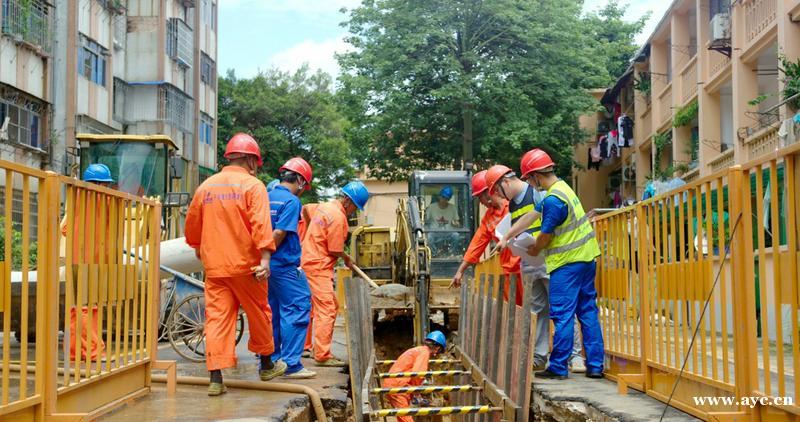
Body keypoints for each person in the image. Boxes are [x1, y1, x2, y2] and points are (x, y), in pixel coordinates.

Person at [185, 133, 285, 396]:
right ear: (252, 160)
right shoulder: (253, 186)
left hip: (216, 268)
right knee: (260, 313)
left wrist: (198, 247)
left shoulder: (206, 186)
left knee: (216, 320)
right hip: (247, 267)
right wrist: (265, 259)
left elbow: (193, 224)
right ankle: (266, 365)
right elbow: (261, 225)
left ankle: (216, 379)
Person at [508, 148, 604, 380]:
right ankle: (595, 366)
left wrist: (534, 248)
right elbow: (531, 215)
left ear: (535, 176)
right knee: (588, 311)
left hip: (567, 264)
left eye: (529, 179)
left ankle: (559, 366)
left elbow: (545, 236)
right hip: (587, 259)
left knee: (562, 315)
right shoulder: (563, 189)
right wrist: (506, 236)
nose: (530, 184)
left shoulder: (553, 200)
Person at [487, 164, 586, 373]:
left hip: (549, 259)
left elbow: (548, 225)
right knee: (537, 310)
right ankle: (539, 357)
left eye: (497, 191)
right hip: (529, 262)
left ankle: (575, 356)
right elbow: (522, 224)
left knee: (563, 309)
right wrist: (509, 239)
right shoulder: (513, 204)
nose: (498, 196)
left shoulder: (539, 194)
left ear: (505, 182)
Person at [301, 181, 370, 366]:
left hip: (310, 260)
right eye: (354, 207)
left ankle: (306, 346)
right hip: (318, 265)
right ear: (348, 201)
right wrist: (347, 258)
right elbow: (334, 248)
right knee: (328, 308)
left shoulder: (324, 207)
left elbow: (306, 209)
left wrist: (310, 232)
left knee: (316, 306)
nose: (353, 212)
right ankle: (322, 355)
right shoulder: (339, 218)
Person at [264, 158, 316, 379]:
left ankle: (273, 359)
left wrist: (262, 258)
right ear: (301, 181)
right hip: (283, 265)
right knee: (298, 305)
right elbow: (279, 234)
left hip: (267, 267)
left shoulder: (266, 197)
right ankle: (292, 364)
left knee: (273, 312)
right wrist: (268, 253)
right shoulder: (292, 201)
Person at [62, 163, 114, 362]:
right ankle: (93, 350)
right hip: (94, 262)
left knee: (77, 308)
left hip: (76, 260)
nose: (108, 188)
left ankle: (76, 352)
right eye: (106, 184)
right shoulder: (108, 201)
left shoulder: (77, 200)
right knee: (88, 308)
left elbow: (64, 229)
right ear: (99, 184)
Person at [450, 171, 522, 305]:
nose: (481, 203)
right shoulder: (489, 218)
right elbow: (476, 245)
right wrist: (460, 271)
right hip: (509, 272)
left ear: (488, 193)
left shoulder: (515, 204)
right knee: (515, 312)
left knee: (536, 310)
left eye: (479, 197)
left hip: (526, 267)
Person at [382, 331, 447, 421]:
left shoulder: (419, 350)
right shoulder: (424, 353)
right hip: (397, 386)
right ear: (437, 348)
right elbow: (418, 374)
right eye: (438, 352)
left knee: (402, 417)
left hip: (395, 384)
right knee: (406, 418)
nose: (436, 355)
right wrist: (417, 391)